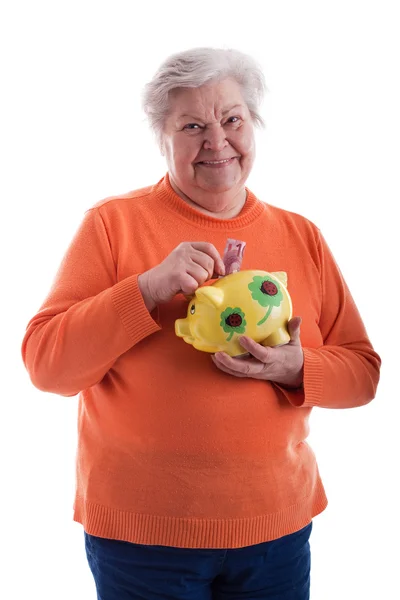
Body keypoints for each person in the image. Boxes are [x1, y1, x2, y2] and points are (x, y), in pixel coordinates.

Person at [21, 47, 381, 600]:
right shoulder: (112, 225)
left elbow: (363, 374)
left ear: (253, 125)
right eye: (193, 125)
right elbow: (48, 366)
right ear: (161, 137)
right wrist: (143, 292)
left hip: (275, 531)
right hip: (142, 539)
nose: (217, 142)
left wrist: (297, 367)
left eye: (232, 119)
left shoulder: (301, 234)